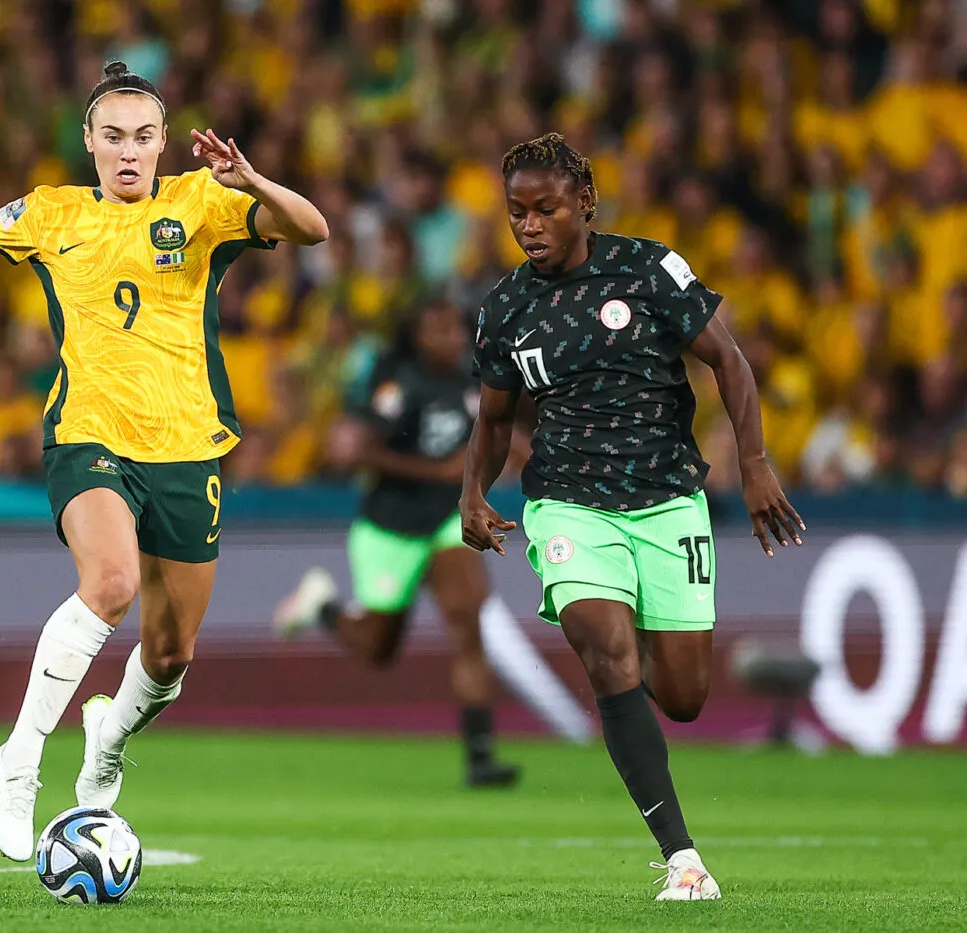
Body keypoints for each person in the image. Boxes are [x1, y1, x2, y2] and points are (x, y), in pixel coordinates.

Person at [0, 62, 328, 862]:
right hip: (90, 435)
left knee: (171, 655)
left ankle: (108, 737)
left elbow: (312, 229)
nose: (128, 152)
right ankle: (16, 761)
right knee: (110, 581)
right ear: (88, 141)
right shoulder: (51, 214)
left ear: (161, 144)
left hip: (190, 448)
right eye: (112, 137)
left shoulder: (203, 202)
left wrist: (252, 178)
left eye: (143, 138)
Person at [462, 134, 804, 900]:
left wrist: (753, 465)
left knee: (683, 696)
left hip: (667, 502)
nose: (530, 226)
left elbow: (730, 360)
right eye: (516, 212)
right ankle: (682, 857)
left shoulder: (650, 270)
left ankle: (631, 691)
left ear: (583, 200)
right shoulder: (506, 310)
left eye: (545, 208)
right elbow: (492, 420)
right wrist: (472, 493)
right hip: (567, 506)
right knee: (607, 652)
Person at [275, 299, 520, 788]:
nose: (451, 338)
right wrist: (439, 472)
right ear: (416, 337)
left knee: (467, 621)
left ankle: (480, 757)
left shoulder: (473, 383)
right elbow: (358, 454)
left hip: (446, 523)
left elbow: (499, 432)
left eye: (455, 328)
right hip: (388, 527)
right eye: (438, 329)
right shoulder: (396, 388)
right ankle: (323, 608)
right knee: (376, 650)